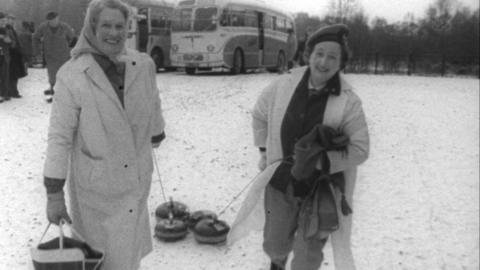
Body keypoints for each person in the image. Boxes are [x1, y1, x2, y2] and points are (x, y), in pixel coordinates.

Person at [42, 0, 166, 269]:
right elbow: (59, 138)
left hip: (135, 182)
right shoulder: (71, 75)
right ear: (92, 28)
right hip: (97, 192)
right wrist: (54, 194)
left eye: (120, 26)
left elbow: (153, 101)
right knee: (102, 260)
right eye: (106, 25)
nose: (114, 33)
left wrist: (156, 132)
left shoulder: (143, 65)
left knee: (128, 257)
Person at [250, 24, 369, 270]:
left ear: (341, 63)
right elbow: (260, 114)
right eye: (319, 53)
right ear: (309, 54)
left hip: (320, 189)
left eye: (333, 56)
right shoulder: (283, 85)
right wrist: (263, 150)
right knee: (275, 243)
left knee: (308, 256)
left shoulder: (349, 101)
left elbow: (360, 149)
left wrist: (323, 161)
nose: (324, 61)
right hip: (280, 181)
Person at [33, 11, 74, 102]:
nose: (53, 22)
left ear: (58, 18)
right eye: (50, 21)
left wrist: (68, 48)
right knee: (52, 76)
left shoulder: (65, 27)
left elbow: (72, 38)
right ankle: (54, 94)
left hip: (64, 57)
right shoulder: (43, 27)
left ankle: (62, 95)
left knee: (64, 76)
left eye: (55, 20)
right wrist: (37, 51)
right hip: (50, 56)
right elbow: (35, 37)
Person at [6, 13, 27, 98]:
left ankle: (13, 91)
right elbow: (11, 42)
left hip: (15, 54)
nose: (12, 21)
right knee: (12, 74)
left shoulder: (12, 29)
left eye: (13, 19)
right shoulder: (7, 29)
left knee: (14, 74)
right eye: (10, 19)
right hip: (11, 54)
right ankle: (12, 92)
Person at [0, 12, 11, 103]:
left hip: (5, 56)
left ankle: (5, 94)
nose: (4, 22)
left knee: (5, 75)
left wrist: (9, 41)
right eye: (2, 20)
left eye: (4, 21)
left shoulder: (7, 30)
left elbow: (12, 42)